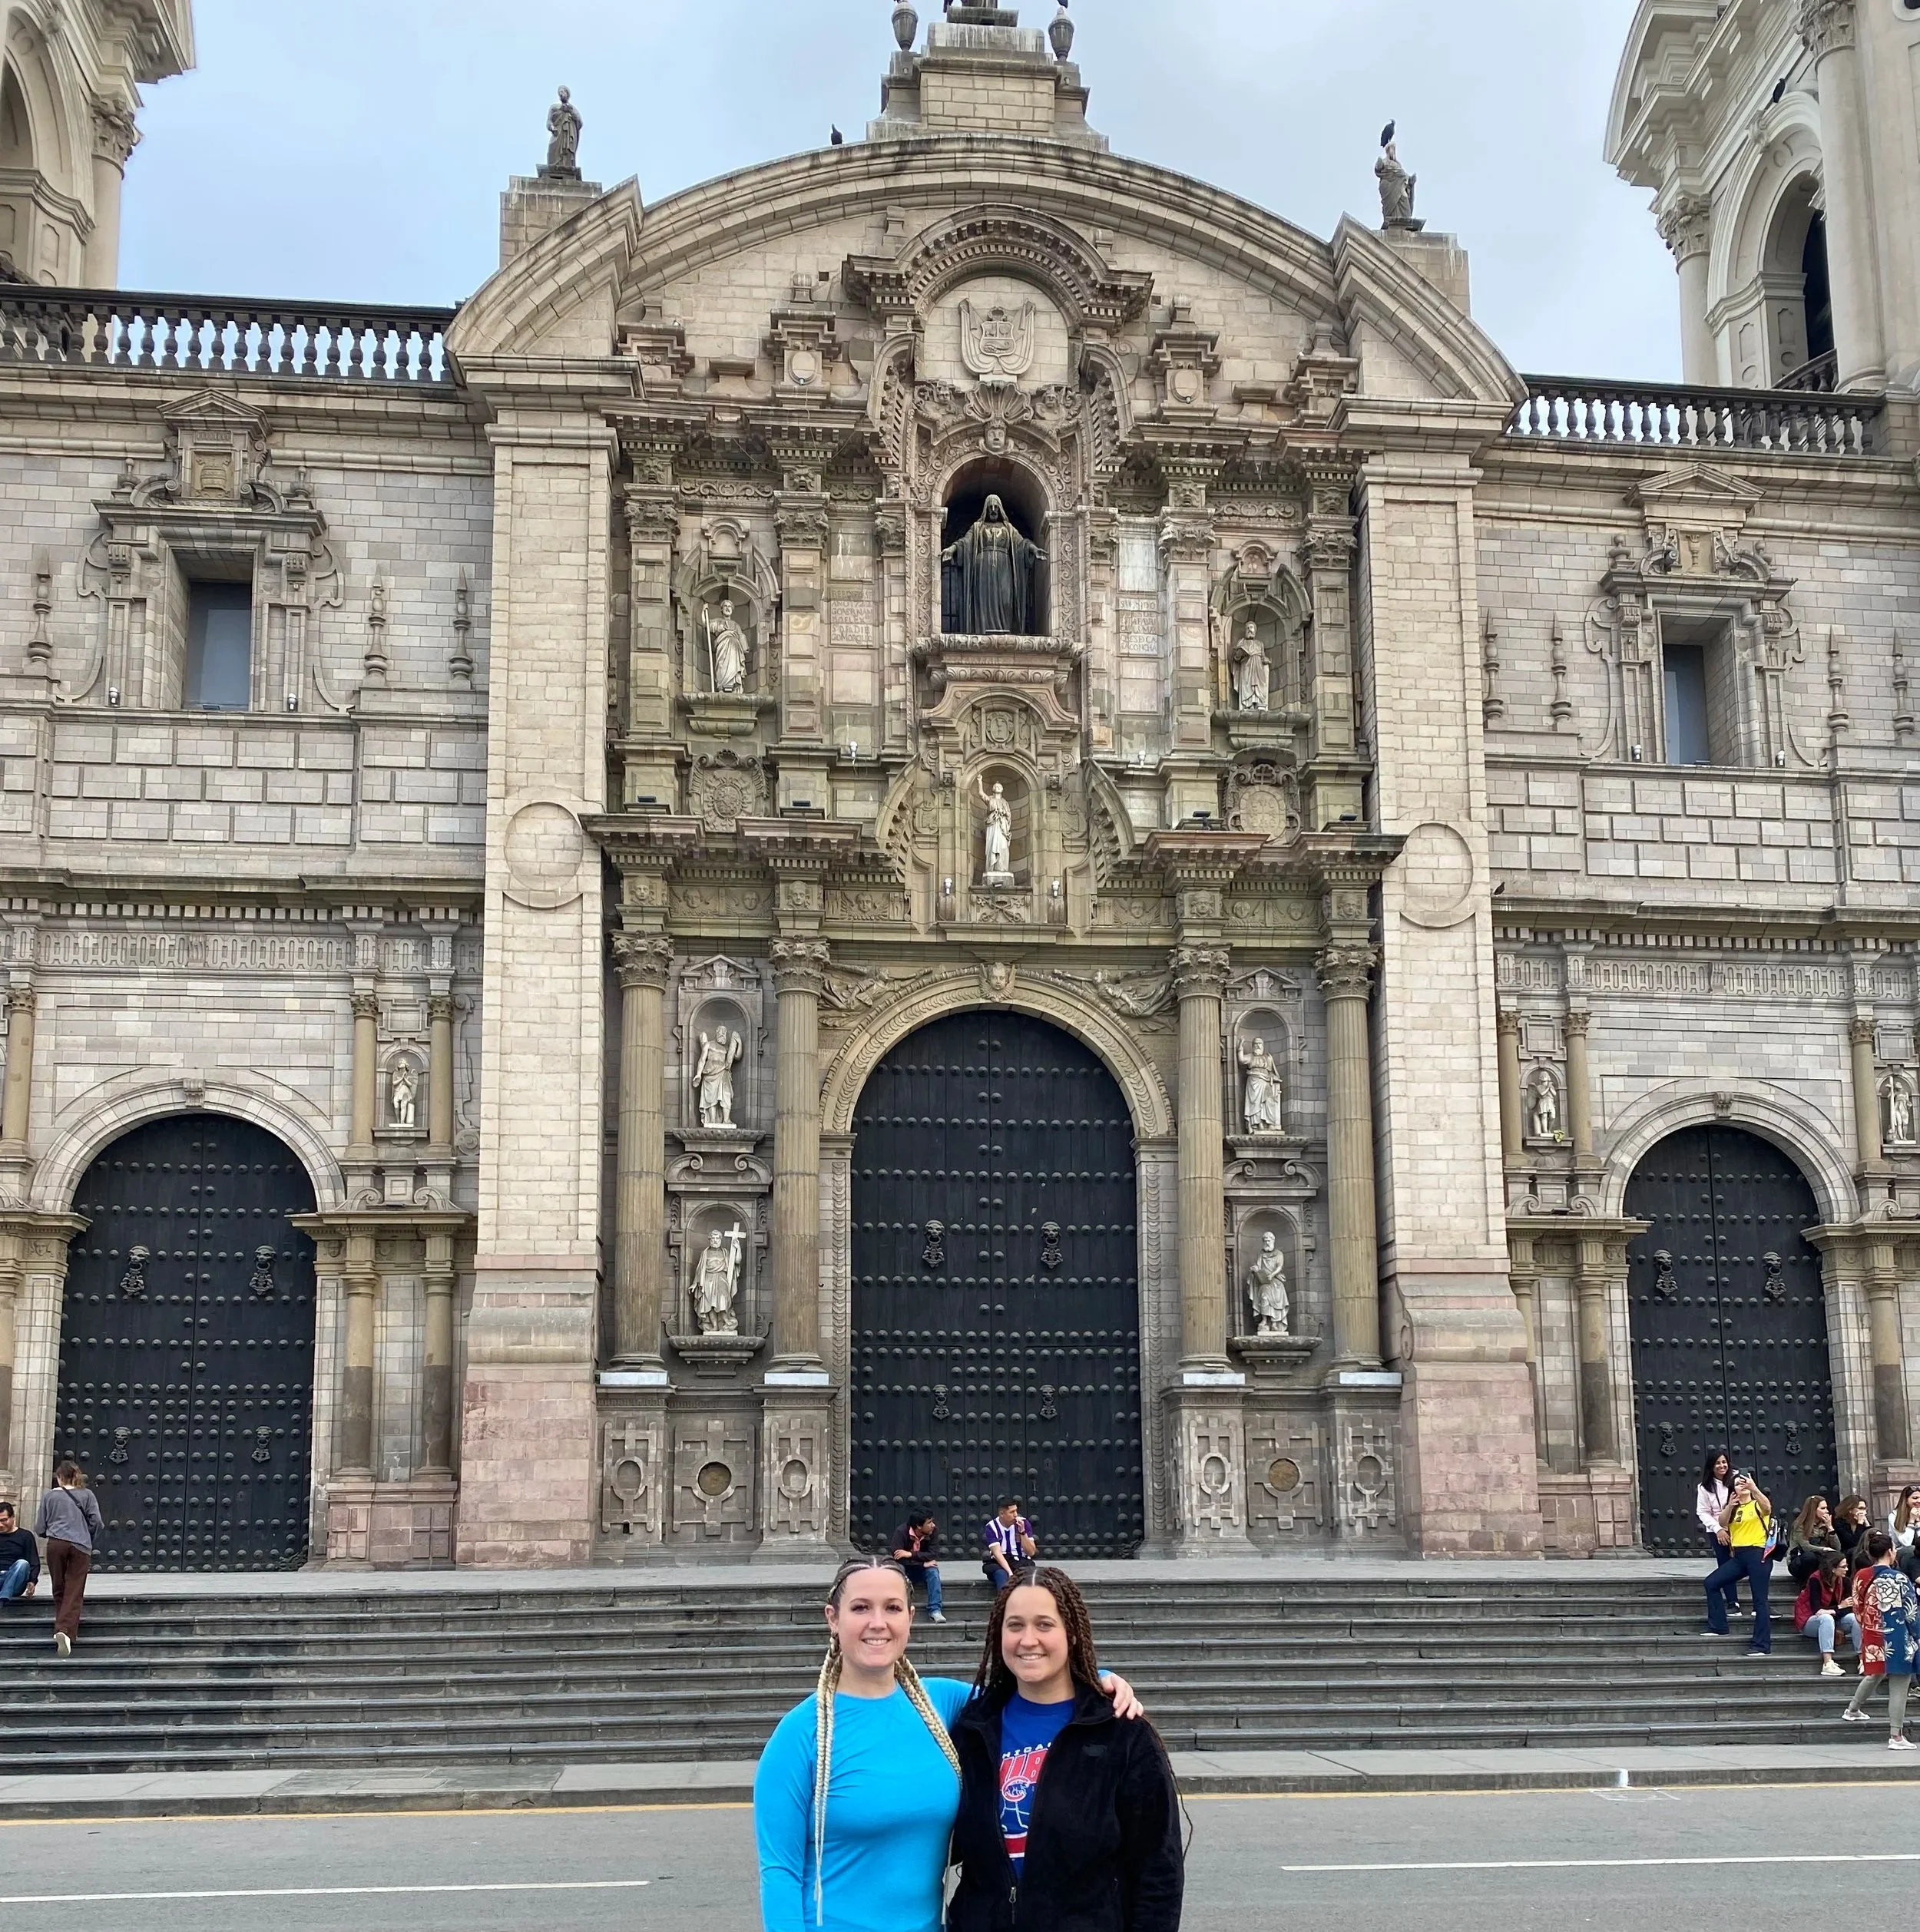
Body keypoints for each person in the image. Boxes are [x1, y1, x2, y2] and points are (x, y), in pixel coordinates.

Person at [753, 1557, 1142, 1932]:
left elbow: (1033, 1688)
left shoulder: (942, 1704)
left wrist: (1101, 1678)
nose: (878, 1623)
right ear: (833, 1619)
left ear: (910, 1617)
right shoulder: (800, 1735)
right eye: (860, 1608)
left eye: (892, 1608)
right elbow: (780, 1872)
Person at [946, 1565, 1183, 1932]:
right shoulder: (972, 1728)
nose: (1028, 1640)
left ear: (1071, 1634)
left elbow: (1158, 1869)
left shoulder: (1121, 1733)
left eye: (1044, 1625)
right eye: (1015, 1625)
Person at [1842, 1530, 1920, 1748]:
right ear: (1890, 1552)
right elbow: (1911, 1613)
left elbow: (1857, 1607)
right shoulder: (1899, 1578)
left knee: (1875, 1673)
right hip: (1898, 1636)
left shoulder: (1861, 1576)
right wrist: (1918, 1634)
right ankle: (1896, 1735)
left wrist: (1867, 1624)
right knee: (1900, 1682)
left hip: (1872, 1632)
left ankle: (1853, 1709)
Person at [33, 1461, 103, 1656]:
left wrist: (51, 1531)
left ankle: (62, 1626)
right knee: (74, 1588)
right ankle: (64, 1630)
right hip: (80, 1546)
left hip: (56, 1544)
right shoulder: (87, 1495)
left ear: (59, 1477)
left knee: (59, 1587)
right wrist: (86, 1536)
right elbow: (97, 1522)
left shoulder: (49, 1496)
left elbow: (40, 1526)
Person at [1703, 1470, 1773, 1655]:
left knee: (1760, 1601)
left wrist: (1754, 1489)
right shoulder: (1734, 1508)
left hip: (1758, 1553)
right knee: (1711, 1583)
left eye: (1744, 1483)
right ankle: (1718, 1626)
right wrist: (1729, 1505)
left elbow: (1767, 1507)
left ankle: (1762, 1645)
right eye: (1737, 1484)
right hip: (1739, 1555)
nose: (1740, 1486)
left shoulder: (1757, 1503)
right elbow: (1722, 1521)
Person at [1794, 1551, 1860, 1678]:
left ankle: (1862, 1659)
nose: (1847, 1569)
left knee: (1853, 1618)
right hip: (1809, 1621)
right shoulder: (1815, 1580)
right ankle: (1828, 1662)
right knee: (1826, 1618)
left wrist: (1834, 1610)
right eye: (1844, 1567)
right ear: (1833, 1568)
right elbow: (1817, 1610)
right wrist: (1840, 1607)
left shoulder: (1845, 1582)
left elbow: (1850, 1608)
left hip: (1834, 1618)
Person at [1696, 1450, 1740, 1619]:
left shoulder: (1737, 1479)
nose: (1722, 1466)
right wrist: (1718, 1529)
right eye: (1718, 1463)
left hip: (1740, 1528)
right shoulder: (1704, 1487)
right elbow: (1703, 1511)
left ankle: (1760, 1603)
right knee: (1725, 1566)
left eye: (1724, 1462)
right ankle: (1732, 1602)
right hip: (1718, 1531)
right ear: (1711, 1467)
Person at [892, 1512, 945, 1624]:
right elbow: (898, 1558)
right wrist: (922, 1564)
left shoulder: (933, 1532)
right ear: (919, 1526)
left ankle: (935, 1610)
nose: (933, 1525)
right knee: (899, 1570)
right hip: (906, 1569)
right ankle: (900, 1609)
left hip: (921, 1569)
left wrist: (911, 1554)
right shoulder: (901, 1533)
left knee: (933, 1571)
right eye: (929, 1522)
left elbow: (932, 1554)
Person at [982, 1500, 1037, 1592]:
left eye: (1016, 1511)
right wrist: (1010, 1572)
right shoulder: (991, 1527)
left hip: (1020, 1560)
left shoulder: (1024, 1523)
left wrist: (1022, 1533)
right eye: (1012, 1512)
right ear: (1002, 1514)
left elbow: (1031, 1552)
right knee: (1001, 1574)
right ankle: (1004, 1601)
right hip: (999, 1562)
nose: (1016, 1515)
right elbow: (997, 1553)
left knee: (1026, 1573)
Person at [1787, 1494, 1842, 1584]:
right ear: (1814, 1510)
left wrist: (1830, 1528)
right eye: (1823, 1508)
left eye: (1826, 1508)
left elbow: (1837, 1548)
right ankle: (1805, 1585)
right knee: (1810, 1557)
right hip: (1799, 1561)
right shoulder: (1800, 1525)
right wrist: (1824, 1549)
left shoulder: (1826, 1524)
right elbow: (1805, 1546)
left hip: (1820, 1558)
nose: (1827, 1511)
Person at [0, 1499, 39, 1603]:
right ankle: (4, 1595)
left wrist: (32, 1581)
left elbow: (34, 1562)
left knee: (23, 1564)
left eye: (4, 1520)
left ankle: (3, 1598)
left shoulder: (25, 1536)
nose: (1, 1525)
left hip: (16, 1578)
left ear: (13, 1518)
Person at [1890, 1485, 1920, 1583]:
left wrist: (1919, 1522)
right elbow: (1906, 1543)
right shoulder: (1894, 1516)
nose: (1918, 1501)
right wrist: (1912, 1521)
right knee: (1910, 1550)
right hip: (1902, 1552)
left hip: (1919, 1551)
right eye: (1915, 1498)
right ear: (1906, 1500)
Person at [1836, 1495, 1872, 1561]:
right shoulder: (1840, 1523)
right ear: (1850, 1510)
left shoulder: (1864, 1522)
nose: (1864, 1512)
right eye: (1861, 1508)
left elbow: (1874, 1539)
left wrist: (1867, 1524)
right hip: (1847, 1554)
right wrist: (1860, 1524)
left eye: (1865, 1509)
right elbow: (1853, 1543)